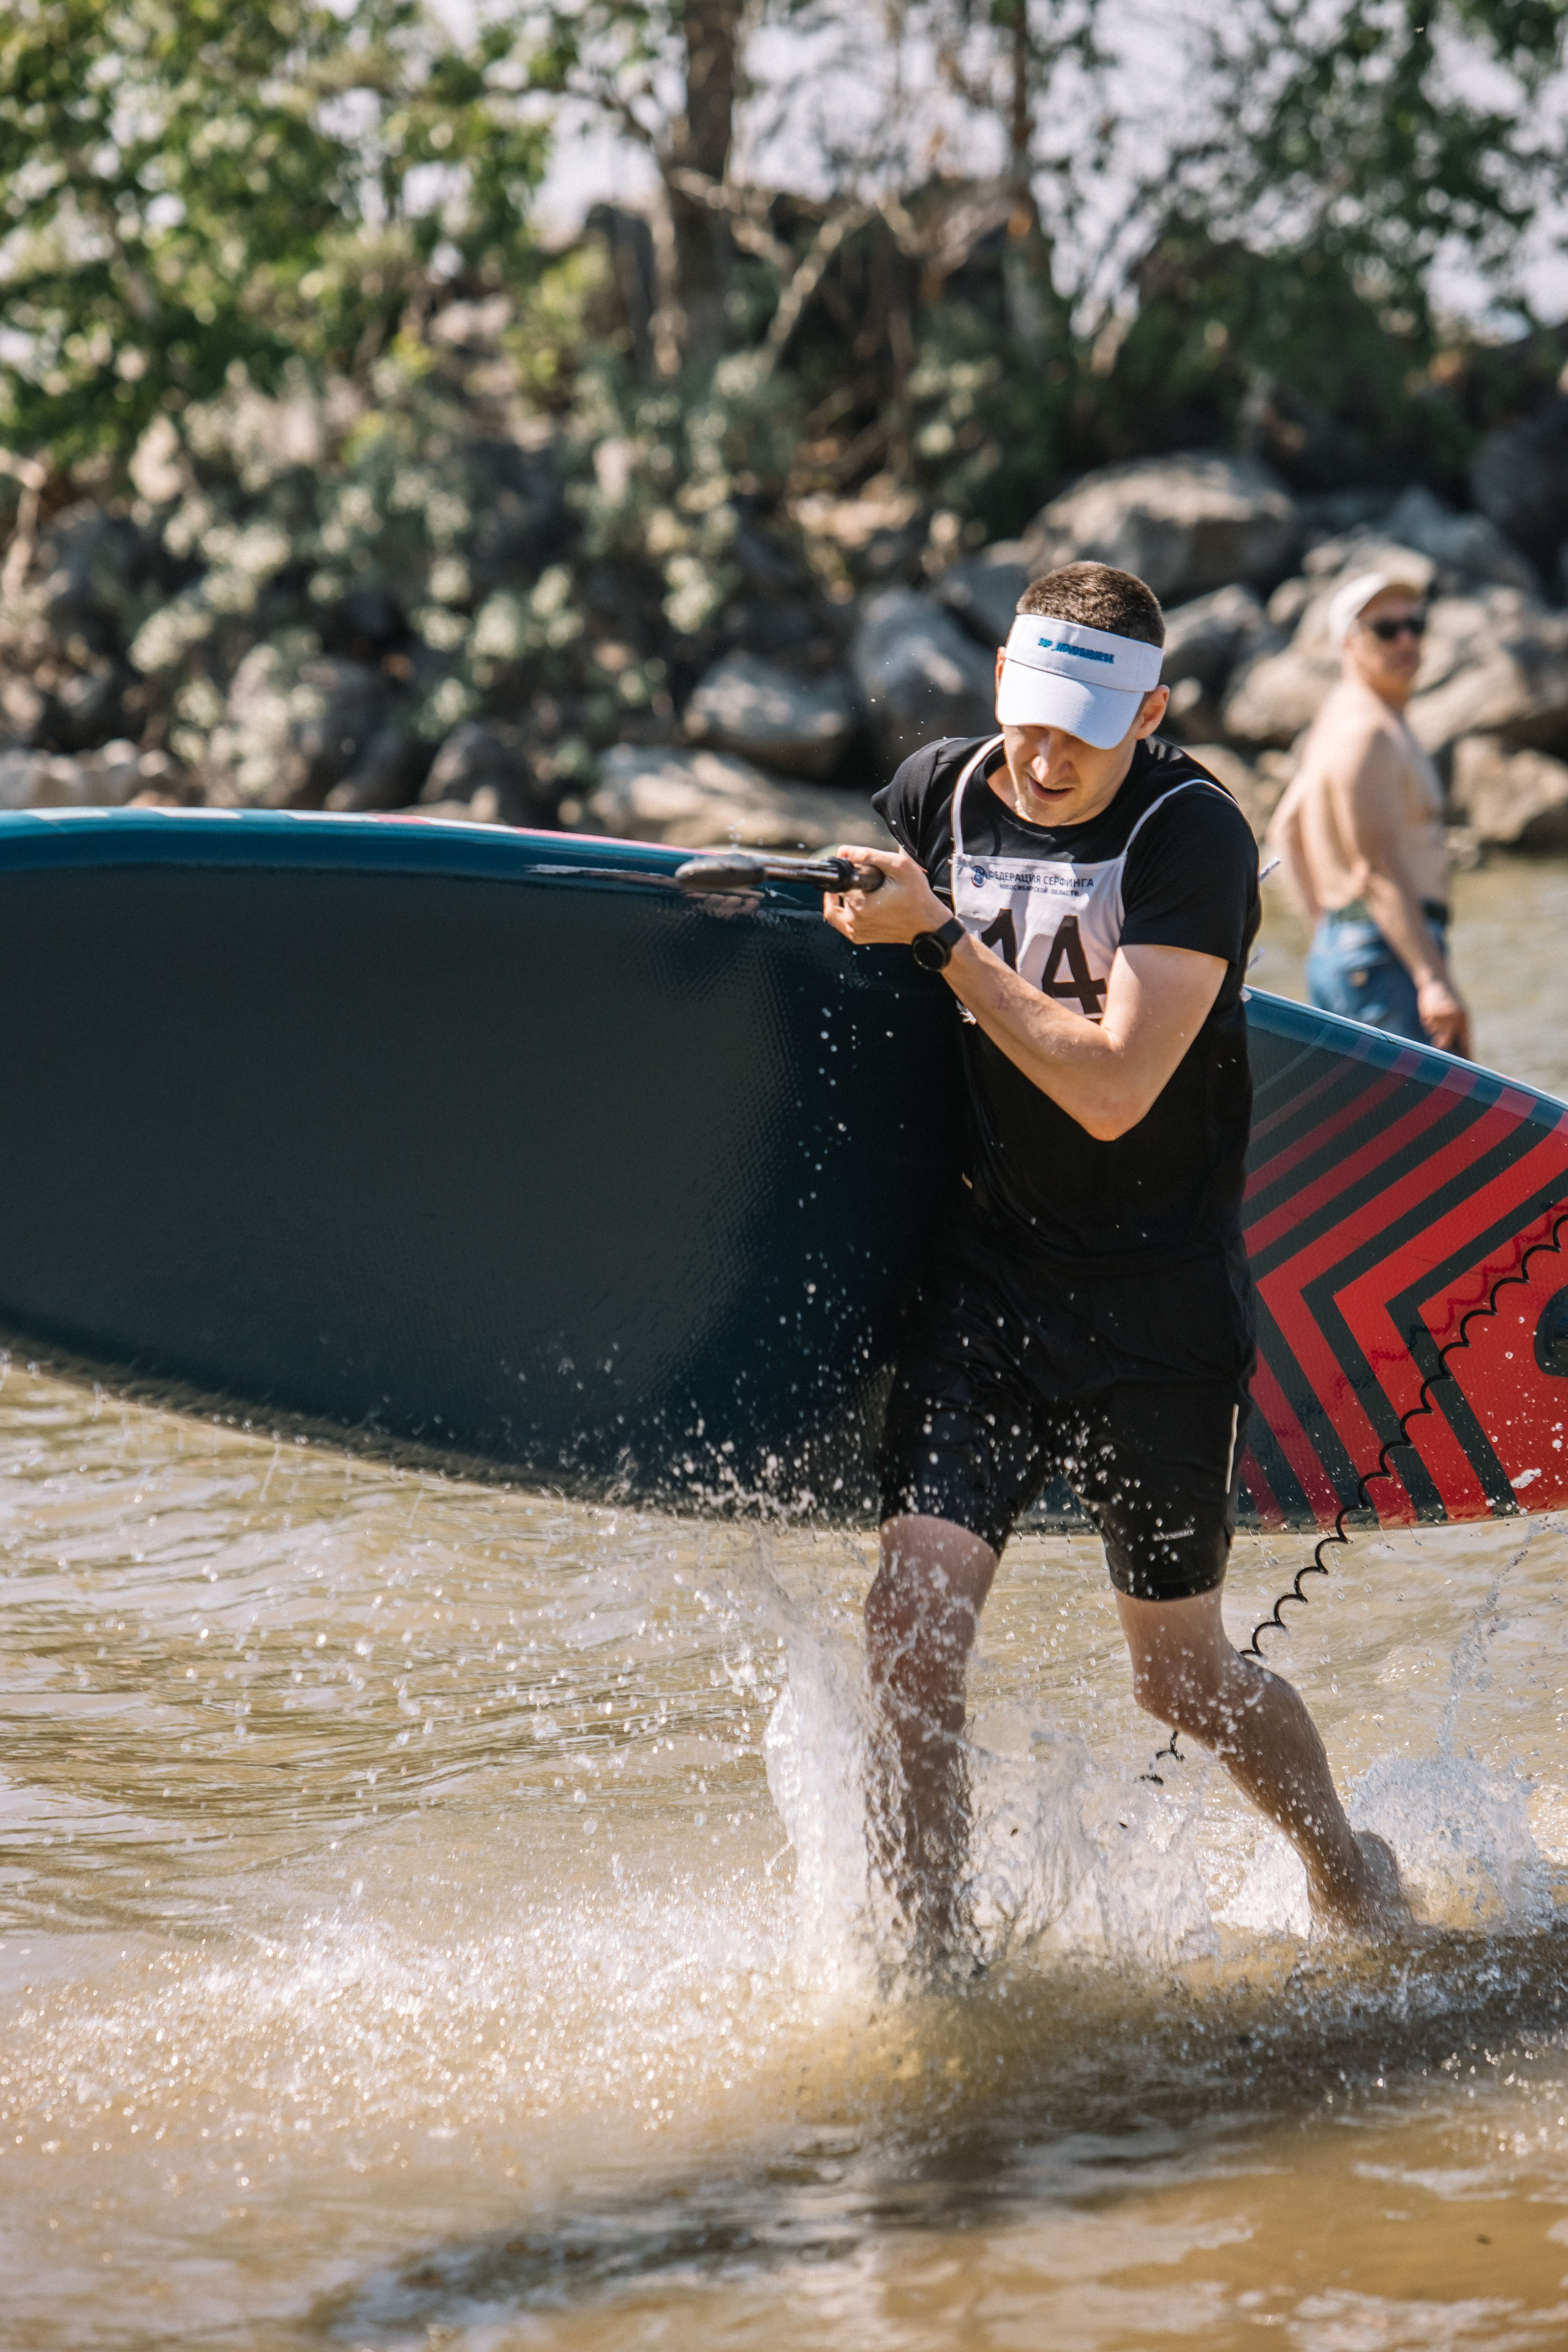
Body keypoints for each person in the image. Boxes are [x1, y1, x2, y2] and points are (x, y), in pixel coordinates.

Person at [824, 561, 1407, 1967]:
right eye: (1028, 714)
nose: (1046, 752)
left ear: (1149, 709)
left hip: (1154, 1304)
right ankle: (928, 1972)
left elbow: (1112, 1082)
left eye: (1085, 723)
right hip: (982, 1285)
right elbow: (852, 977)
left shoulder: (1188, 832)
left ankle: (1346, 1871)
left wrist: (942, 939)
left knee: (1179, 1674)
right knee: (910, 1621)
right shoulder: (938, 797)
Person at [1267, 569, 1470, 1055]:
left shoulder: (1343, 720)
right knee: (1423, 1125)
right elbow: (1375, 868)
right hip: (1387, 956)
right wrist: (1432, 980)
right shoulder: (1367, 732)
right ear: (1349, 644)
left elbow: (1285, 829)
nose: (1405, 639)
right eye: (1385, 629)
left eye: (1414, 625)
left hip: (1361, 949)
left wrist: (1328, 931)